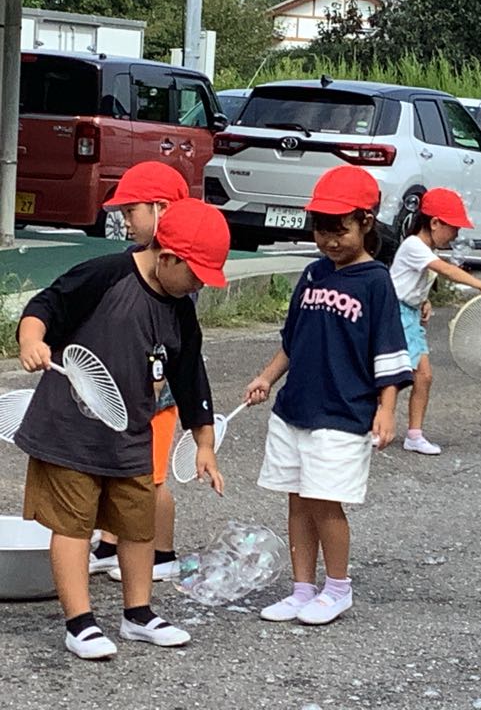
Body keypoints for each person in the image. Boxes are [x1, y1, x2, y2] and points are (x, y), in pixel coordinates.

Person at [15, 197, 229, 660]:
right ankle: (80, 623)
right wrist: (31, 339)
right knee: (73, 525)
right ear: (168, 257)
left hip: (131, 432)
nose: (198, 286)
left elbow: (190, 376)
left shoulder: (180, 309)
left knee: (138, 522)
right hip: (70, 429)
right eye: (195, 275)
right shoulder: (107, 274)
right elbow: (46, 304)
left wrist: (204, 442)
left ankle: (138, 613)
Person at [245, 165, 413, 626]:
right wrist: (267, 378)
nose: (330, 241)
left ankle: (337, 587)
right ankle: (302, 589)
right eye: (321, 230)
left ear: (366, 221)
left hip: (344, 411)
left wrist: (387, 409)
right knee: (298, 500)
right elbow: (293, 341)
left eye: (340, 230)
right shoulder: (313, 274)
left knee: (325, 501)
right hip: (295, 407)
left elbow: (389, 351)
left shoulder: (376, 281)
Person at [88, 161, 189, 582]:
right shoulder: (130, 261)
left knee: (150, 478)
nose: (126, 222)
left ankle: (163, 554)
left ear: (161, 208)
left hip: (157, 396)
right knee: (119, 470)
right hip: (125, 391)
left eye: (131, 212)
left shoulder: (178, 265)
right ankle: (111, 544)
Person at [389, 187, 481, 455]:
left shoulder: (423, 248)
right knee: (397, 376)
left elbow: (411, 281)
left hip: (409, 314)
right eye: (454, 228)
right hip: (396, 314)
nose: (456, 235)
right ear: (435, 223)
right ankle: (380, 427)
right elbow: (446, 270)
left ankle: (411, 434)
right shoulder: (414, 245)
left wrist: (423, 301)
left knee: (419, 376)